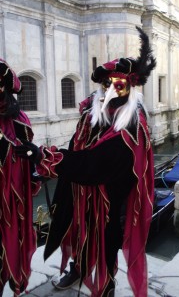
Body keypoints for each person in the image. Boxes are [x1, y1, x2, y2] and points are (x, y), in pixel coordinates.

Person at [15, 26, 156, 297]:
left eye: (119, 85)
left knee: (105, 247)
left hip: (109, 202)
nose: (111, 90)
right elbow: (76, 148)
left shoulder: (132, 129)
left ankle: (105, 288)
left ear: (130, 87)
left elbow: (97, 164)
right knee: (77, 234)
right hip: (79, 194)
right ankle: (78, 268)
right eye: (107, 84)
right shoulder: (90, 116)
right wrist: (45, 167)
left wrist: (45, 157)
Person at [0, 59, 40, 297]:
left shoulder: (18, 120)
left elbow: (26, 156)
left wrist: (6, 149)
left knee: (7, 249)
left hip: (8, 200)